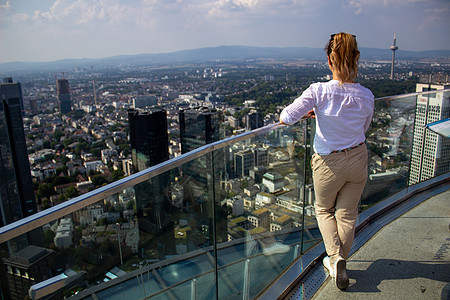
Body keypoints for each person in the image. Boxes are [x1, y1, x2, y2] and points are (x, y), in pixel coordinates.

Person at [279, 32, 374, 290]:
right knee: (346, 215)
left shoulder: (318, 91)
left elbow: (286, 117)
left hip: (328, 162)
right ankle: (338, 261)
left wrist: (316, 113)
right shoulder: (366, 95)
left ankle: (335, 258)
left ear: (329, 62)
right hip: (358, 157)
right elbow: (364, 128)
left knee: (323, 210)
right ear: (356, 60)